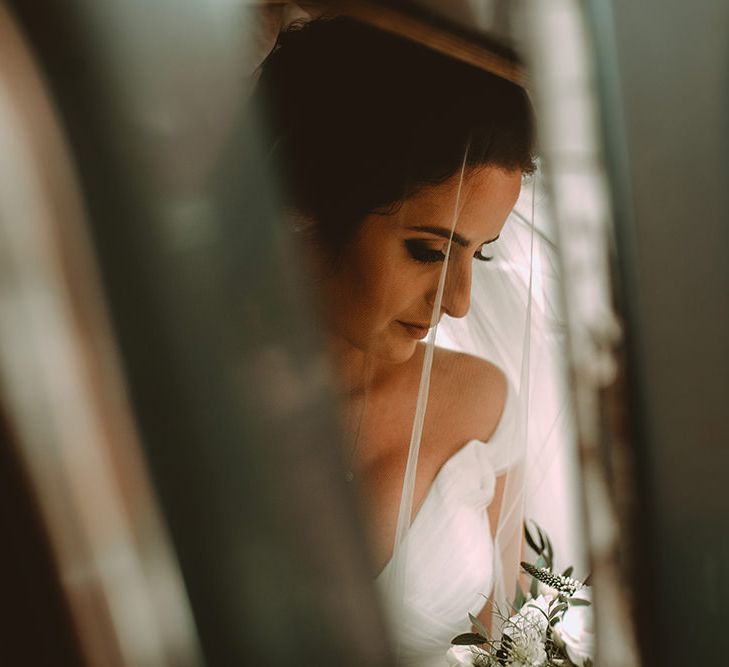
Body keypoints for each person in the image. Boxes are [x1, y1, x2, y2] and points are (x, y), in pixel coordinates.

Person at [254, 15, 537, 666]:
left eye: (481, 256)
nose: (459, 300)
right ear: (307, 213)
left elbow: (508, 638)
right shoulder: (180, 399)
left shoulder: (483, 405)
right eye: (427, 250)